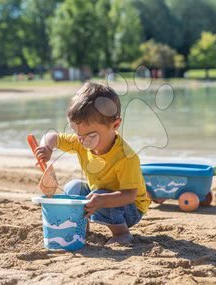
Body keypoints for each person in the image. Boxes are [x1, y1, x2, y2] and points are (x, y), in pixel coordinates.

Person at [35, 82, 151, 245]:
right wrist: (45, 148)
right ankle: (82, 226)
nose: (83, 142)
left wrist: (102, 200)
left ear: (115, 125)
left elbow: (129, 195)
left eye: (90, 136)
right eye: (78, 134)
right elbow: (52, 137)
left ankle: (121, 233)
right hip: (100, 194)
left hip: (130, 208)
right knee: (73, 187)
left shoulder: (126, 157)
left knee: (101, 195)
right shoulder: (81, 141)